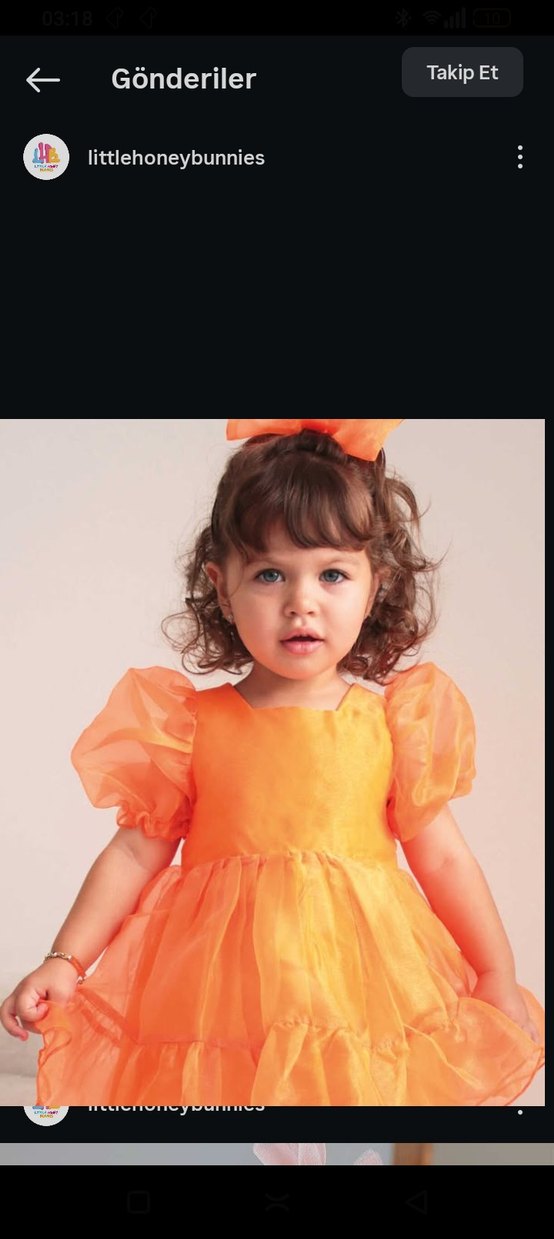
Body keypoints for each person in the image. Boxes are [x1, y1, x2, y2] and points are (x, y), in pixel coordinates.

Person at [0, 418, 545, 1105]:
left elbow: (444, 860)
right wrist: (65, 958)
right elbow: (134, 854)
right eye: (269, 574)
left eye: (333, 573)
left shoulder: (389, 726)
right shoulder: (191, 726)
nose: (301, 602)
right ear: (221, 584)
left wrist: (495, 973)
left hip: (358, 981)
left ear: (374, 584)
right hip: (217, 989)